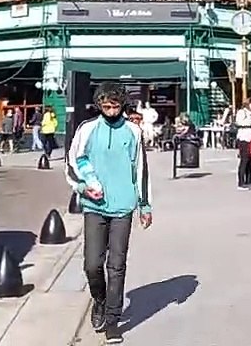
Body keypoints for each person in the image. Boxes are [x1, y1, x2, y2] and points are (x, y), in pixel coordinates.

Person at [66, 82, 153, 344]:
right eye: (107, 106)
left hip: (123, 206)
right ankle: (99, 300)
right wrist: (83, 187)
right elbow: (73, 162)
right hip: (94, 206)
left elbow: (141, 170)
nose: (112, 111)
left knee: (116, 266)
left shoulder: (133, 131)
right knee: (92, 264)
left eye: (116, 106)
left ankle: (113, 321)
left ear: (122, 105)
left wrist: (144, 206)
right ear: (99, 105)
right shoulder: (87, 129)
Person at [234, 98, 251, 190]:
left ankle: (249, 180)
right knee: (244, 160)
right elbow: (238, 122)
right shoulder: (242, 112)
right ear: (248, 104)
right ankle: (241, 182)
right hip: (244, 138)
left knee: (250, 160)